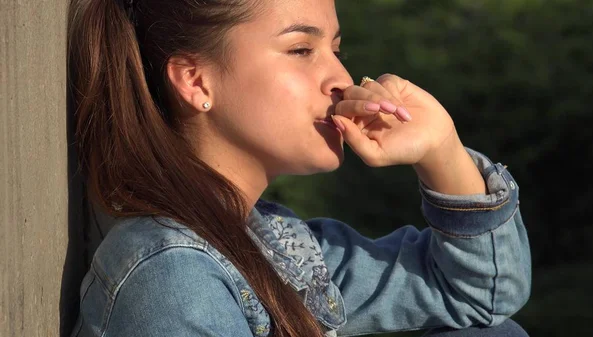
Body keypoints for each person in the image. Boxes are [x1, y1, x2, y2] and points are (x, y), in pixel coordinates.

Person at [67, 0, 531, 336]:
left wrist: (441, 150)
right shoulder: (171, 277)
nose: (343, 81)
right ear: (195, 80)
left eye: (336, 50)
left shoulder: (281, 249)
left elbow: (478, 296)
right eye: (301, 50)